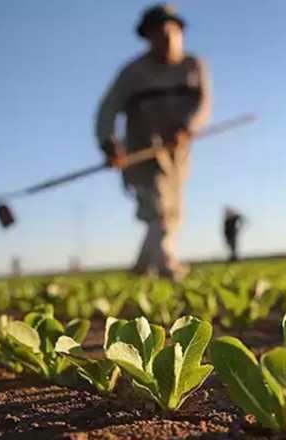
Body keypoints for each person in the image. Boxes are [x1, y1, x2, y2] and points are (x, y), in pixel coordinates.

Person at [95, 4, 211, 279]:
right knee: (159, 211)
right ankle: (167, 267)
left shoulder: (194, 66)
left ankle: (140, 269)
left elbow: (203, 104)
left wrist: (187, 128)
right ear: (147, 37)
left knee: (172, 213)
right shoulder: (133, 73)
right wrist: (109, 143)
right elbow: (107, 110)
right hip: (142, 153)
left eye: (172, 31)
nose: (166, 37)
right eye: (158, 32)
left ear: (181, 33)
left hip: (177, 154)